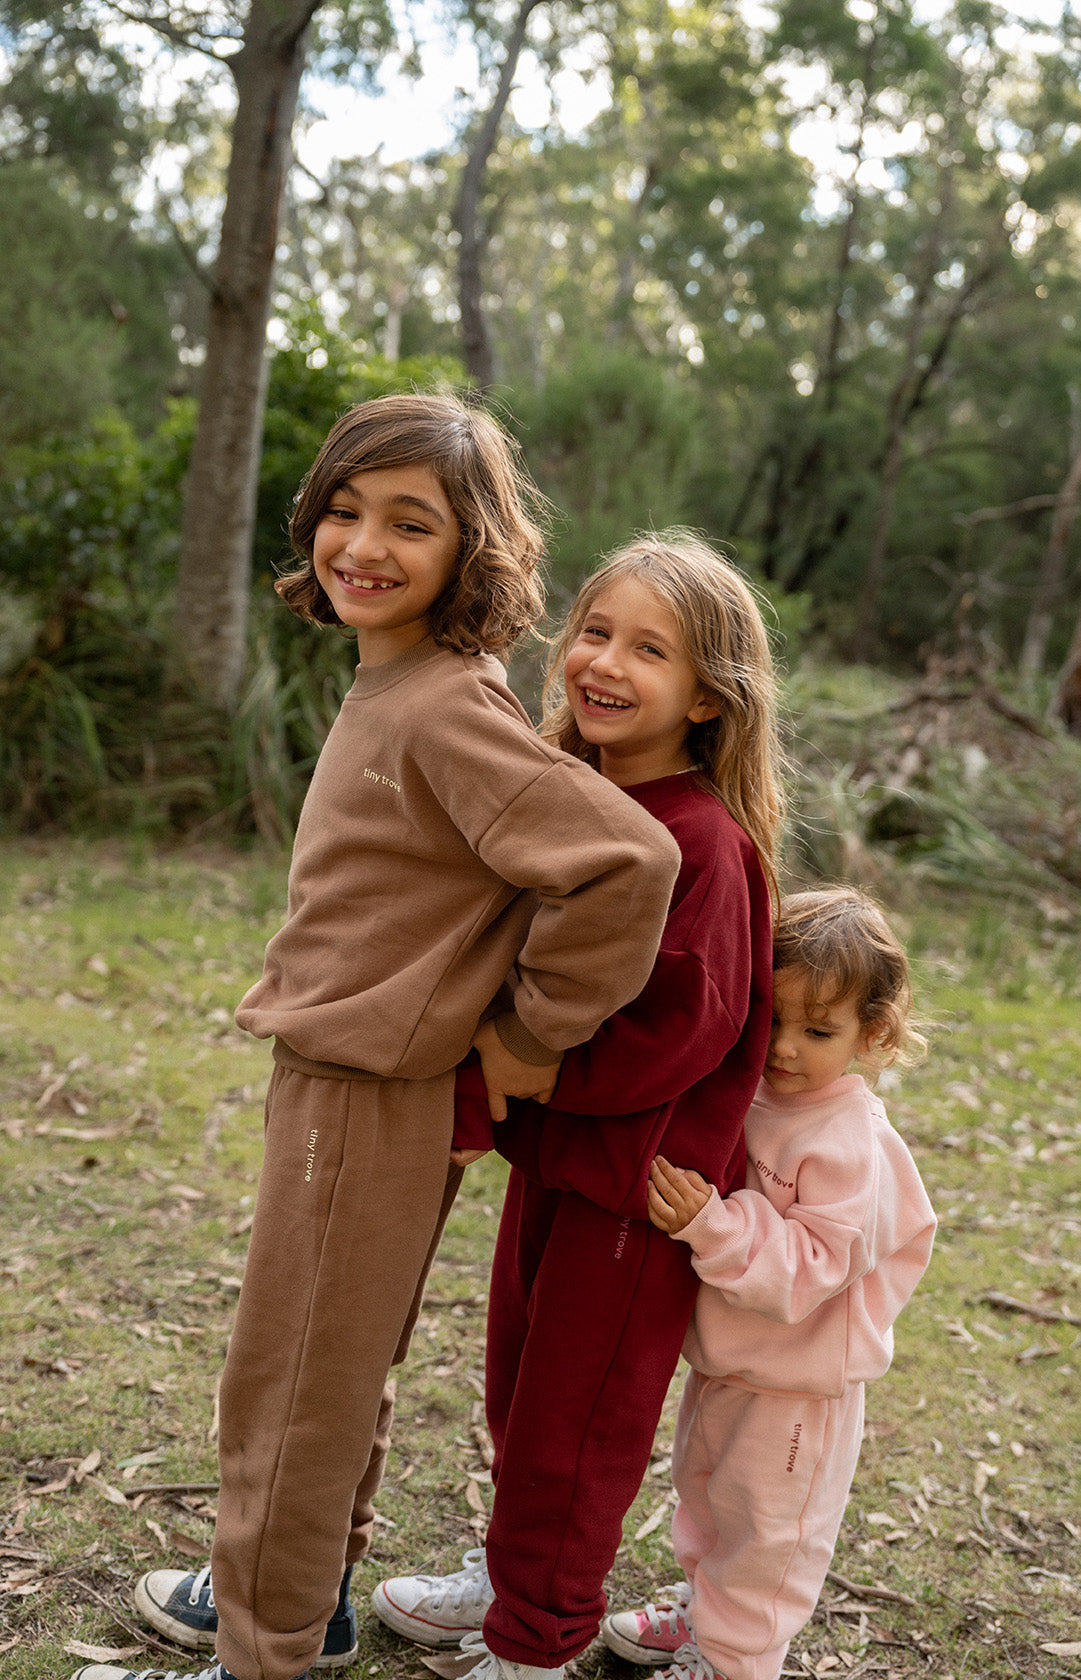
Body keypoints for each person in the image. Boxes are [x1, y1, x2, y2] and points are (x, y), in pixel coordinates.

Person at [75, 394, 683, 1680]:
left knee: (290, 1386)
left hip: (367, 1097)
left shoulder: (440, 708)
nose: (366, 543)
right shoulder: (401, 682)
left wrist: (531, 1033)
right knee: (327, 1367)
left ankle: (265, 1646)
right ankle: (314, 1601)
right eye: (345, 510)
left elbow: (627, 860)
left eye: (413, 522)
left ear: (474, 552)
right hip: (342, 1086)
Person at [372, 532, 784, 1680]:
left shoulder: (702, 841)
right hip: (557, 1167)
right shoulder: (573, 798)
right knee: (517, 1394)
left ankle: (535, 1645)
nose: (603, 661)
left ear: (706, 698)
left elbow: (688, 1025)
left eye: (647, 649)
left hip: (631, 1193)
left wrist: (541, 1071)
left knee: (575, 1427)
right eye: (594, 632)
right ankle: (513, 1582)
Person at [600, 885, 937, 1680]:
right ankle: (706, 1611)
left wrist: (713, 1225)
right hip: (733, 1363)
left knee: (769, 1534)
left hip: (798, 1390)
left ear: (874, 1034)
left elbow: (813, 1267)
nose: (784, 1048)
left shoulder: (849, 1141)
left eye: (818, 1030)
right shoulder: (763, 1095)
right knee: (707, 1497)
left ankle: (737, 1659)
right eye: (772, 1020)